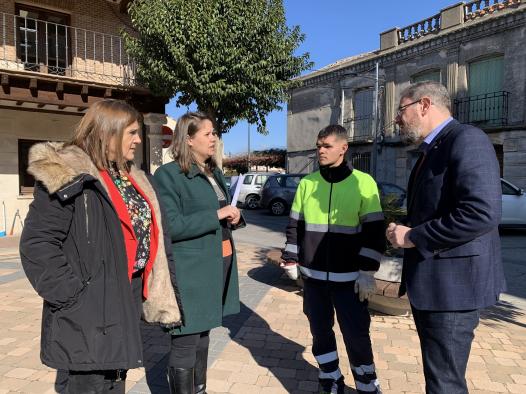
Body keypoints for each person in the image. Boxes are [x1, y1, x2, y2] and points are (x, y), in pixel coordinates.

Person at [19, 99, 183, 394]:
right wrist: (74, 297)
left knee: (113, 381)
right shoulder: (67, 174)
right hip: (88, 306)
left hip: (125, 296)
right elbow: (37, 243)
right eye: (131, 132)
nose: (137, 140)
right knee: (91, 384)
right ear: (108, 132)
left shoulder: (130, 177)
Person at [387, 81, 506, 394]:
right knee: (439, 379)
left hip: (453, 290)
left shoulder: (467, 139)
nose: (397, 120)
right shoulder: (430, 151)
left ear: (425, 105)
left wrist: (412, 236)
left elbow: (481, 213)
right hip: (434, 286)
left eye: (401, 110)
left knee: (445, 385)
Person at [282, 125, 385, 394]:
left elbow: (375, 232)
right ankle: (330, 378)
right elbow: (295, 226)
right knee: (320, 332)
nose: (320, 151)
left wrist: (367, 271)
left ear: (343, 147)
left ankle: (367, 384)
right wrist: (291, 259)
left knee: (357, 336)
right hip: (314, 279)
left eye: (327, 146)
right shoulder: (307, 183)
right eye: (318, 146)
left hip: (351, 280)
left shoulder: (364, 183)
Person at [154, 111, 242, 394]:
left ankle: (199, 390)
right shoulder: (169, 175)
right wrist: (217, 214)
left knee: (203, 334)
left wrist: (235, 218)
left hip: (216, 267)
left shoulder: (214, 172)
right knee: (185, 340)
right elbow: (173, 226)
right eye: (208, 133)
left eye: (214, 132)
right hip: (190, 271)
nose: (214, 138)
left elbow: (221, 214)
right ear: (189, 140)